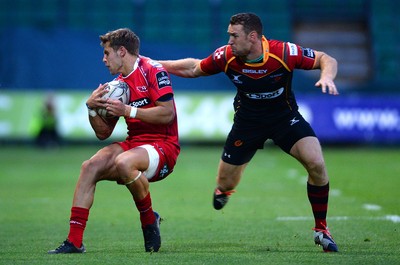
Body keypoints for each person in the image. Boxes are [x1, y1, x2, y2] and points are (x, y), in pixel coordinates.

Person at [159, 12, 339, 252]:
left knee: (316, 163)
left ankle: (321, 229)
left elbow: (326, 58)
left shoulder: (284, 53)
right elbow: (194, 68)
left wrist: (326, 76)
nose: (229, 41)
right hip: (247, 123)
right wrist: (154, 64)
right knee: (225, 182)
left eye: (234, 36)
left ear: (252, 37)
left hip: (284, 119)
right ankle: (224, 189)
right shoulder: (226, 56)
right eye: (229, 36)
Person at [48, 28, 180, 254]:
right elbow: (103, 133)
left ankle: (148, 221)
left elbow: (167, 113)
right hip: (135, 143)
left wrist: (127, 111)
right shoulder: (117, 87)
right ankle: (74, 241)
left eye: (107, 53)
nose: (104, 59)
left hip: (163, 147)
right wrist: (91, 109)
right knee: (90, 167)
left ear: (121, 51)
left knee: (124, 163)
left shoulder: (152, 71)